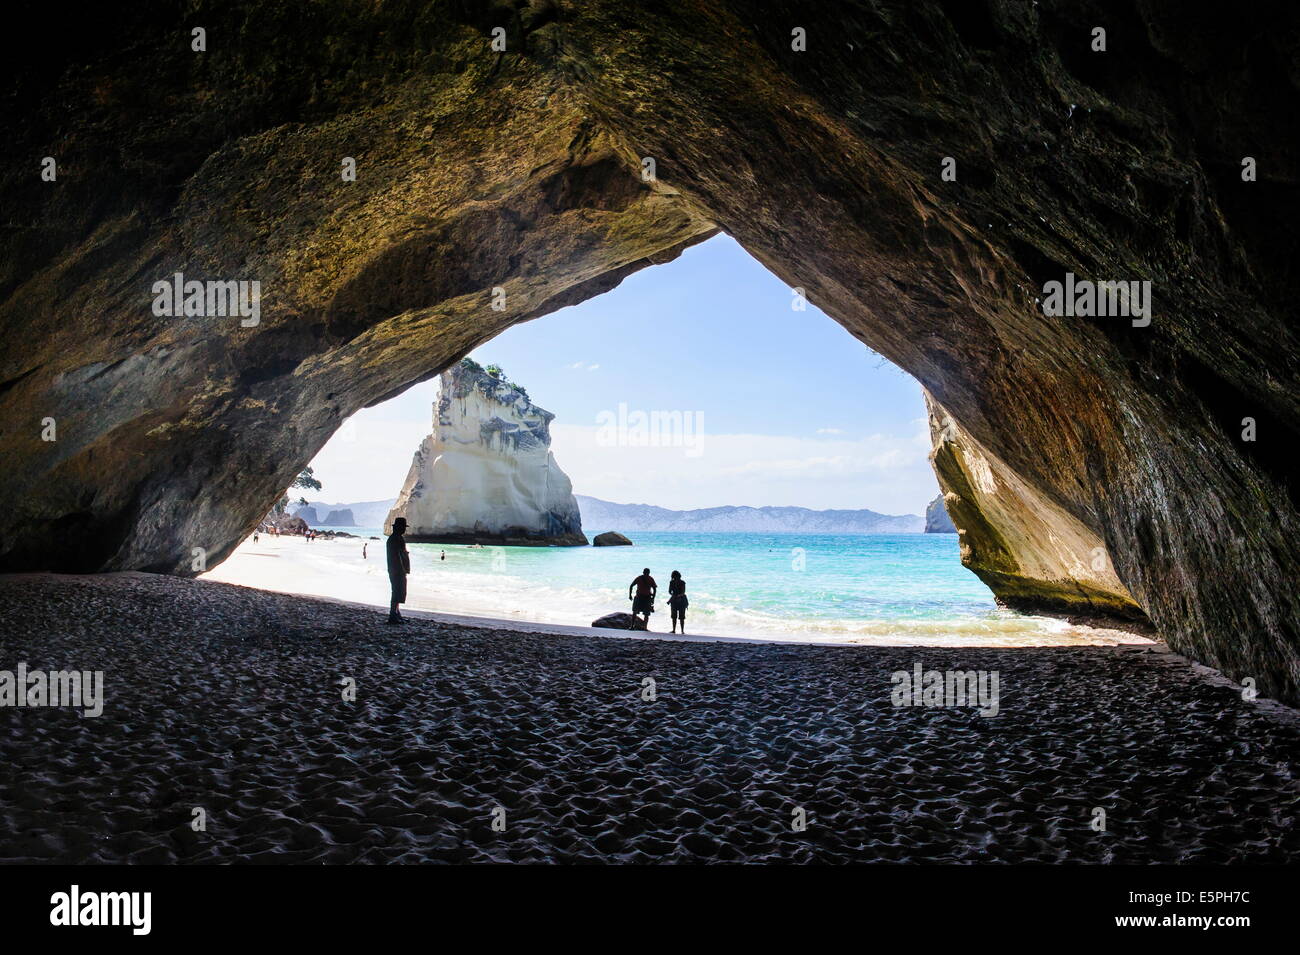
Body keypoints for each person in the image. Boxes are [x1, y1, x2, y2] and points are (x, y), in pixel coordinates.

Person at [386, 517, 411, 624]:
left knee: (397, 591)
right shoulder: (396, 539)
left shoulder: (395, 538)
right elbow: (398, 555)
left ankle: (396, 613)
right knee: (397, 591)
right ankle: (393, 615)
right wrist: (402, 569)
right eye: (403, 527)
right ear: (398, 527)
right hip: (397, 569)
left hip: (395, 569)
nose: (404, 530)